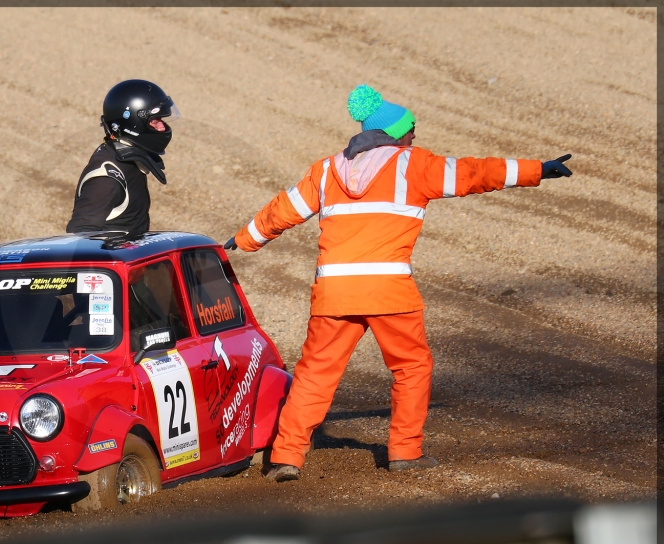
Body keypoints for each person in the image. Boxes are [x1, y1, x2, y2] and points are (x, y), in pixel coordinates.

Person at [224, 85, 572, 481]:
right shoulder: (413, 165)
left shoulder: (326, 170)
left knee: (315, 374)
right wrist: (538, 169)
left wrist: (243, 239)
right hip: (390, 291)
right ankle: (405, 451)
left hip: (335, 294)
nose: (415, 135)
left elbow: (284, 209)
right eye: (411, 128)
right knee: (411, 367)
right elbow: (475, 173)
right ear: (394, 134)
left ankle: (286, 457)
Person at [66, 79, 179, 235]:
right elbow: (79, 234)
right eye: (155, 121)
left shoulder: (129, 160)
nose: (162, 127)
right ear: (134, 123)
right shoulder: (107, 178)